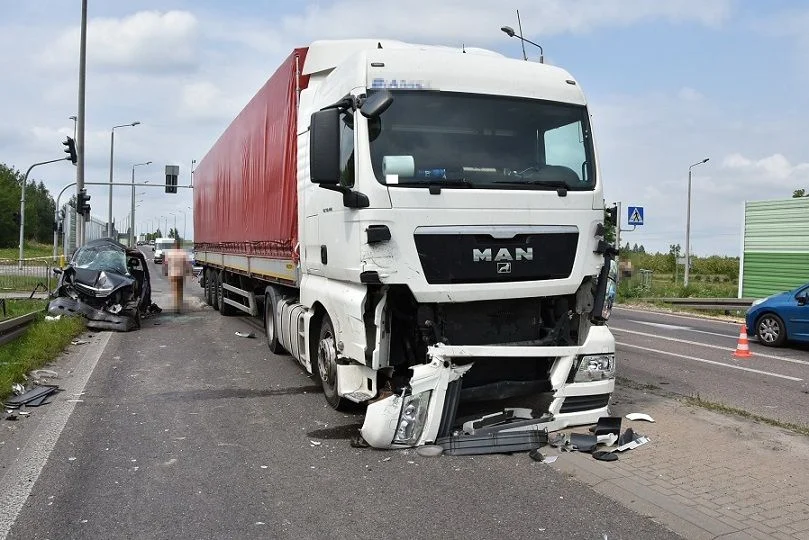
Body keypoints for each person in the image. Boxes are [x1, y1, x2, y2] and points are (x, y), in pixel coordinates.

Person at [165, 239, 188, 313]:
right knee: (180, 291)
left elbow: (166, 264)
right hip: (181, 274)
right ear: (179, 245)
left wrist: (166, 273)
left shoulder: (170, 253)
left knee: (175, 291)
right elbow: (186, 264)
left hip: (173, 274)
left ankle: (176, 306)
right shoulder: (183, 253)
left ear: (174, 245)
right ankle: (180, 306)